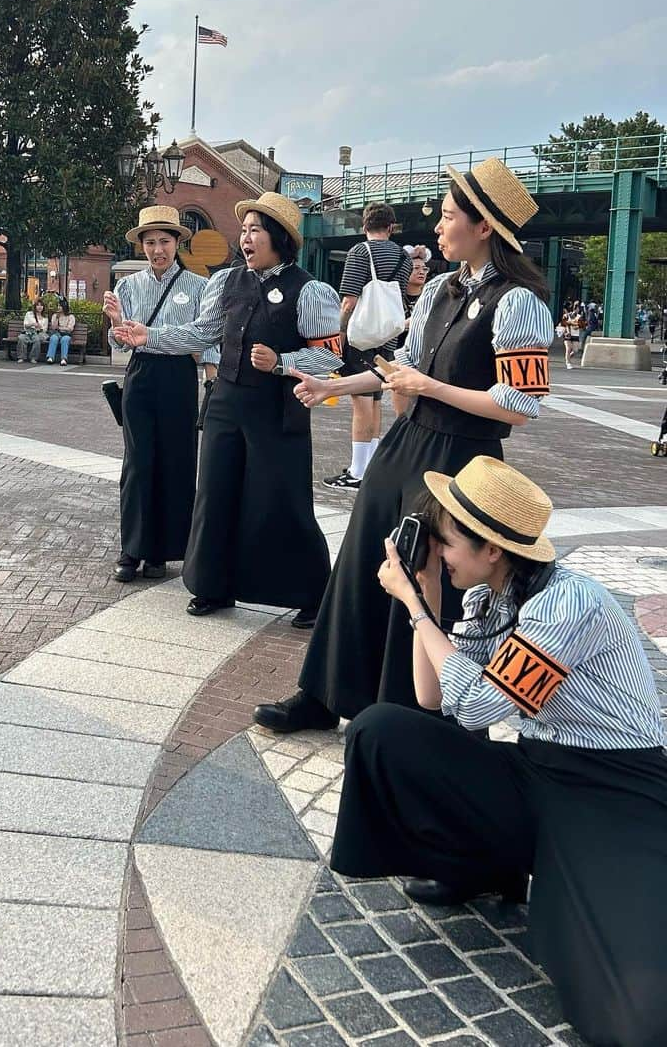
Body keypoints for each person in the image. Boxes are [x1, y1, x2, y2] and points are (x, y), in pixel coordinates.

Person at [333, 456, 667, 1047]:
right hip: (541, 766)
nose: (438, 550)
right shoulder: (490, 597)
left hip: (617, 787)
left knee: (631, 1006)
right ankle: (481, 866)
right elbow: (432, 697)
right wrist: (429, 598)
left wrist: (414, 605)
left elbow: (484, 707)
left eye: (448, 542)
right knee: (382, 730)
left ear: (493, 550)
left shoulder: (567, 605)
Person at [255, 157, 554, 731]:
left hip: (463, 461)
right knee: (361, 561)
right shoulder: (442, 287)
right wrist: (332, 383)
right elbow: (405, 367)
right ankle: (323, 694)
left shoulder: (519, 302)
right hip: (407, 444)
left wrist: (431, 387)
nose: (436, 229)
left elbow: (521, 406)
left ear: (484, 226)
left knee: (423, 574)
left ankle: (401, 712)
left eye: (447, 217)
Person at [114, 192, 343, 623]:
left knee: (281, 499)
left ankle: (311, 593)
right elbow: (203, 333)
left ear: (280, 238)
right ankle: (213, 585)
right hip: (226, 403)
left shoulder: (310, 291)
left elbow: (331, 356)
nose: (246, 238)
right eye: (245, 230)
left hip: (277, 408)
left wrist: (284, 363)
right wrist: (150, 338)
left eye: (255, 230)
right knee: (215, 493)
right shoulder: (227, 281)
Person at [103, 206, 215, 584]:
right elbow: (115, 339)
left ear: (178, 242)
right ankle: (132, 549)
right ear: (141, 246)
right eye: (150, 242)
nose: (157, 249)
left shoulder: (199, 286)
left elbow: (208, 338)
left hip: (180, 374)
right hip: (141, 373)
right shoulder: (128, 286)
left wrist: (212, 380)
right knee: (137, 462)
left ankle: (163, 552)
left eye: (164, 241)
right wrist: (117, 325)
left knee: (178, 460)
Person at [324, 204, 413, 492]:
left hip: (362, 336)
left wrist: (338, 333)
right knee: (375, 401)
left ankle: (358, 471)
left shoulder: (360, 252)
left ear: (364, 226)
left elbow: (349, 300)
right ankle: (369, 465)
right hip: (387, 336)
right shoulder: (403, 257)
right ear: (390, 227)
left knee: (360, 404)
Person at [16, 299, 48, 363]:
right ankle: (21, 357)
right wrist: (33, 324)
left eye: (41, 305)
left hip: (38, 333)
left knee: (37, 340)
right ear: (35, 306)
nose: (39, 307)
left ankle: (33, 358)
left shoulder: (45, 318)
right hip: (28, 331)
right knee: (21, 338)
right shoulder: (29, 314)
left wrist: (40, 328)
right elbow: (25, 325)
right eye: (38, 305)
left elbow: (45, 329)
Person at [46, 298, 76, 365]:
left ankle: (63, 359)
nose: (58, 307)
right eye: (58, 306)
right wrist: (57, 318)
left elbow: (70, 328)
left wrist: (60, 328)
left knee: (64, 339)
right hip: (57, 333)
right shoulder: (55, 315)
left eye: (60, 306)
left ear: (64, 307)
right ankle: (50, 357)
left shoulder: (70, 316)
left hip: (66, 334)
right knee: (53, 338)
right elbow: (53, 327)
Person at [560, 301, 583, 370]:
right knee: (568, 349)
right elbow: (564, 323)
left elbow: (582, 325)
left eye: (579, 308)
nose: (578, 309)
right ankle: (568, 363)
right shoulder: (567, 315)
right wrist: (568, 329)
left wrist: (578, 326)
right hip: (568, 335)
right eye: (577, 308)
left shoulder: (580, 316)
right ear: (574, 308)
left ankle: (568, 357)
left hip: (575, 335)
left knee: (575, 350)